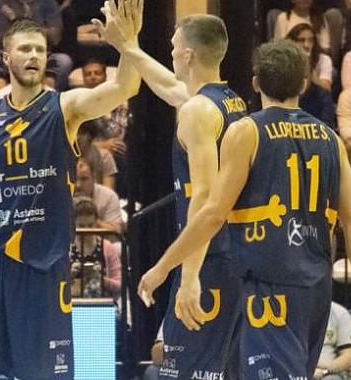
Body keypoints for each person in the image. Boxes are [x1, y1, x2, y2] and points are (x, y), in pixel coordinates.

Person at [138, 40, 351, 379]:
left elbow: (211, 214)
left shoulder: (247, 131)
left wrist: (165, 266)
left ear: (255, 83)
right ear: (304, 84)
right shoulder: (330, 138)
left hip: (269, 285)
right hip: (315, 290)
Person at [0, 3, 141, 377]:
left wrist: (128, 45)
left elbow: (126, 86)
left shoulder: (65, 107)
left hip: (41, 261)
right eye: (25, 49)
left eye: (40, 50)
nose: (34, 56)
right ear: (5, 57)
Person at [111, 7, 247, 379]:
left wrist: (188, 276)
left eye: (173, 47)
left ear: (188, 54)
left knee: (183, 372)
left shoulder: (198, 113)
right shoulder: (228, 101)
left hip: (210, 259)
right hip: (235, 255)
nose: (171, 53)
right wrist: (129, 47)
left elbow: (204, 200)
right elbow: (171, 87)